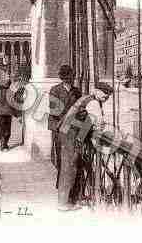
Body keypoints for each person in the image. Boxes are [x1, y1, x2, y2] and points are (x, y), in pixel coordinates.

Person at [56, 82, 113, 211]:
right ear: (97, 91)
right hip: (70, 135)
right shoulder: (93, 103)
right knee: (69, 168)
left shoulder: (85, 98)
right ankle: (63, 203)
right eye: (105, 95)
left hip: (67, 133)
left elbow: (90, 120)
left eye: (108, 95)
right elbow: (98, 122)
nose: (107, 98)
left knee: (70, 166)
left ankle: (70, 200)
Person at [48, 65, 81, 189]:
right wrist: (69, 115)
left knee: (71, 157)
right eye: (66, 77)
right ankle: (61, 183)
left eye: (71, 77)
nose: (69, 79)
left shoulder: (76, 91)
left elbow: (81, 107)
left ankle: (68, 185)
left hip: (72, 128)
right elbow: (54, 110)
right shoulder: (55, 90)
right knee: (60, 156)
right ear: (62, 78)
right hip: (58, 127)